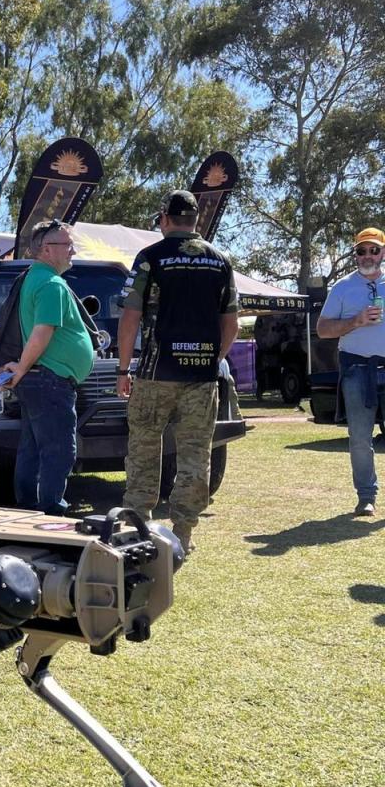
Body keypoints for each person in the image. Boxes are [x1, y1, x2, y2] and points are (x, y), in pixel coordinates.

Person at [117, 189, 239, 554]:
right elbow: (231, 324)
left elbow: (130, 317)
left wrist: (124, 369)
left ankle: (136, 528)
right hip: (201, 378)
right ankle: (183, 534)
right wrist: (212, 359)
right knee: (195, 454)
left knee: (143, 449)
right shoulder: (221, 261)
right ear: (195, 221)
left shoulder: (150, 258)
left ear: (165, 220)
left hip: (156, 373)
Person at [2, 221, 95, 514]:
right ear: (46, 248)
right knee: (58, 450)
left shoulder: (34, 278)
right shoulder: (51, 283)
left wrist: (22, 368)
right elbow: (43, 331)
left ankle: (28, 507)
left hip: (40, 378)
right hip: (50, 379)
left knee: (32, 448)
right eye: (67, 245)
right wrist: (20, 367)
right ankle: (52, 510)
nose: (73, 251)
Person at [316, 226, 385, 515]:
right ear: (354, 254)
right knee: (359, 436)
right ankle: (366, 496)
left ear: (383, 252)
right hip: (357, 368)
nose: (367, 255)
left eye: (374, 250)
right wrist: (355, 322)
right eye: (361, 250)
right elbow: (322, 330)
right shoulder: (342, 287)